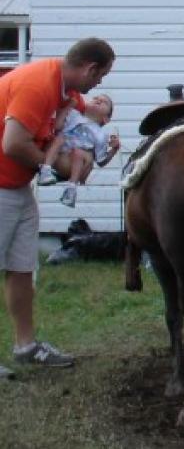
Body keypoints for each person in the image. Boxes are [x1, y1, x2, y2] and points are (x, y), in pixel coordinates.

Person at [0, 37, 116, 376]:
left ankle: (25, 346)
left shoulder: (67, 94)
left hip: (18, 187)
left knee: (22, 268)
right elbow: (12, 144)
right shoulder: (39, 84)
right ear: (89, 68)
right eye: (101, 76)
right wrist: (57, 167)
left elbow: (91, 118)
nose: (99, 84)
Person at [36, 94, 120, 209]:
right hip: (61, 147)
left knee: (79, 153)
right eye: (95, 98)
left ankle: (71, 189)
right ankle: (45, 170)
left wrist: (114, 150)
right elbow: (57, 126)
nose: (98, 100)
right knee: (59, 139)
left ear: (106, 119)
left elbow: (101, 160)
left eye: (104, 102)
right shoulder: (74, 115)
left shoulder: (101, 135)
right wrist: (67, 108)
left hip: (74, 158)